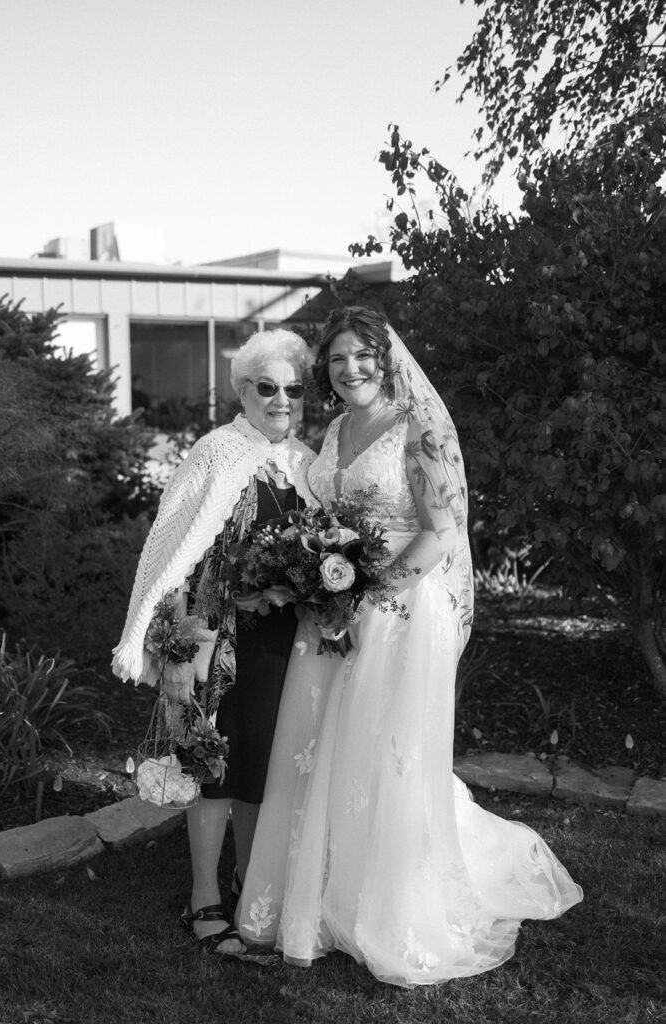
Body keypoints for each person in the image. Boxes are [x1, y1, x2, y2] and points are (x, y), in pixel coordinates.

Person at [237, 307, 583, 987]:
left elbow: (443, 532)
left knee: (379, 749)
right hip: (332, 606)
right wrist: (316, 576)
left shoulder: (418, 429)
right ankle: (321, 888)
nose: (350, 369)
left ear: (386, 358)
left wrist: (367, 594)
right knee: (324, 745)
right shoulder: (334, 430)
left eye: (362, 355)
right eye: (336, 359)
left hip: (396, 605)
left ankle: (388, 901)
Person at [112, 328, 315, 959]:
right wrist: (175, 650)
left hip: (284, 645)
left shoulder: (308, 464)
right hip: (214, 641)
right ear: (243, 391)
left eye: (294, 389)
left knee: (260, 768)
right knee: (212, 770)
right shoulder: (216, 452)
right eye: (267, 387)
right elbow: (175, 554)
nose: (281, 399)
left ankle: (246, 886)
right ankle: (203, 898)